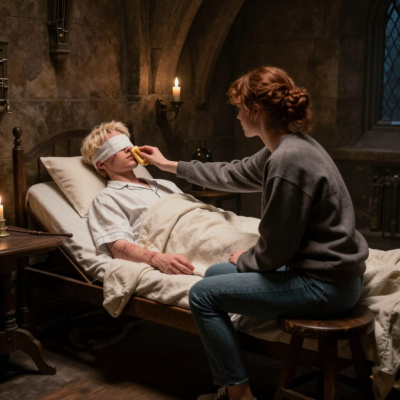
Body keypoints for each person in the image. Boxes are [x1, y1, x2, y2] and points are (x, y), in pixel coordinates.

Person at [139, 66, 369, 400]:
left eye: (238, 108)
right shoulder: (288, 146)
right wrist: (169, 165)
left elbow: (276, 248)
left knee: (202, 295)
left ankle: (239, 394)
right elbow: (231, 173)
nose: (236, 116)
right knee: (215, 274)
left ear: (255, 111)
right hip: (328, 273)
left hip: (326, 285)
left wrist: (248, 260)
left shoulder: (287, 160)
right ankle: (235, 375)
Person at [80, 120, 195, 275]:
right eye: (118, 147)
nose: (129, 148)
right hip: (185, 244)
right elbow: (119, 248)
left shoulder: (165, 184)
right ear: (101, 164)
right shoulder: (107, 199)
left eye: (128, 143)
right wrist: (158, 259)